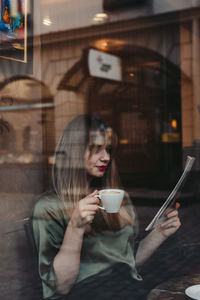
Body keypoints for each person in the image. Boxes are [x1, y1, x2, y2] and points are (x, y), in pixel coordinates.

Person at [33, 114, 181, 300]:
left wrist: (160, 232)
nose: (106, 157)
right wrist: (75, 228)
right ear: (74, 151)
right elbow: (61, 286)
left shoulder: (114, 197)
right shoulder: (49, 206)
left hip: (123, 289)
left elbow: (128, 261)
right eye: (96, 149)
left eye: (108, 149)